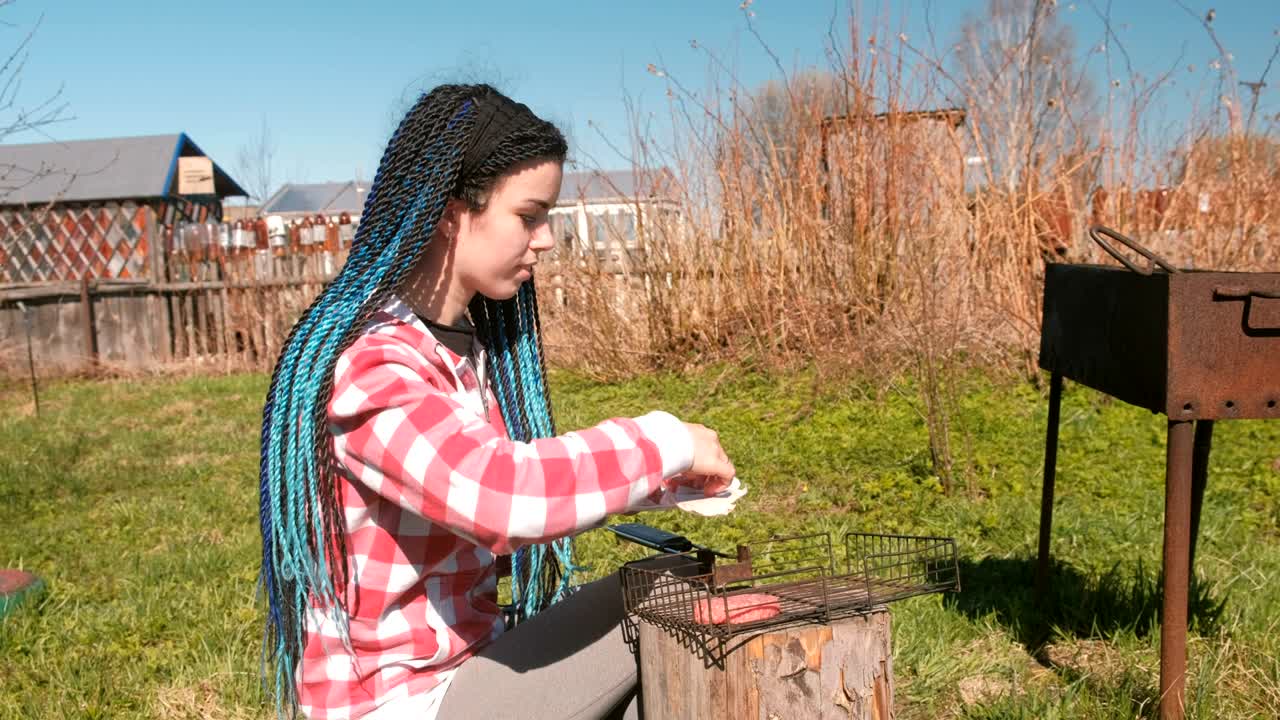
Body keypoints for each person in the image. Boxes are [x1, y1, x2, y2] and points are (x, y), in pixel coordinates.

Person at [258, 83, 737, 720]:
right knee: (668, 597)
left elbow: (518, 481)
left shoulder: (457, 349)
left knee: (672, 616)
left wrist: (664, 483)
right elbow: (501, 497)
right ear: (451, 211)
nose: (546, 238)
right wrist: (666, 442)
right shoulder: (373, 365)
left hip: (465, 666)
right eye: (529, 215)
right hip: (400, 703)